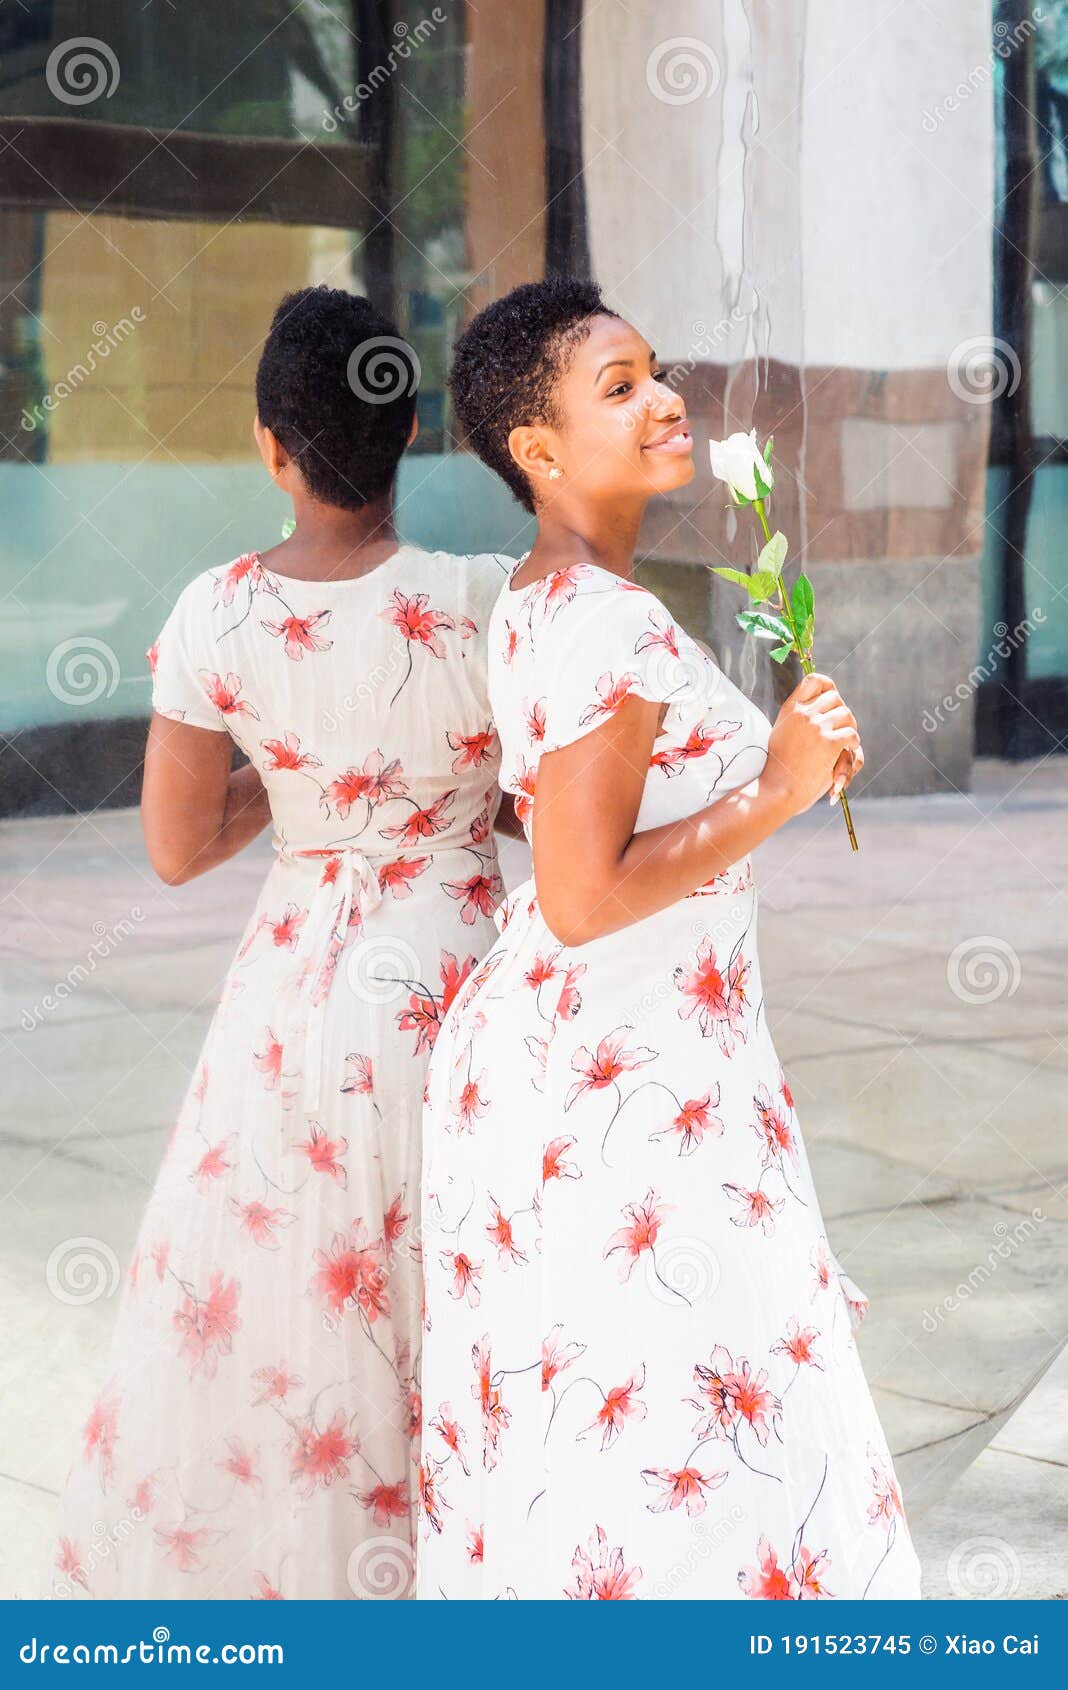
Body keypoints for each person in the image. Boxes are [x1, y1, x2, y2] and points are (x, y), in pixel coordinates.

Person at [416, 277, 921, 1601]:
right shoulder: (608, 619)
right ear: (537, 449)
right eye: (620, 385)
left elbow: (566, 843)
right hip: (627, 1090)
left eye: (656, 371)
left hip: (601, 1058)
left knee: (622, 1433)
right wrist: (776, 789)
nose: (665, 399)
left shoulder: (548, 594)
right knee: (686, 1426)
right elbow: (584, 895)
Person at [50, 285, 511, 1600]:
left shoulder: (217, 616)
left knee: (306, 1304)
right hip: (463, 981)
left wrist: (303, 782)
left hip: (295, 999)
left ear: (270, 443)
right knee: (461, 1288)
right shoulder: (482, 599)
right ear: (408, 428)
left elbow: (177, 842)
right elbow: (540, 802)